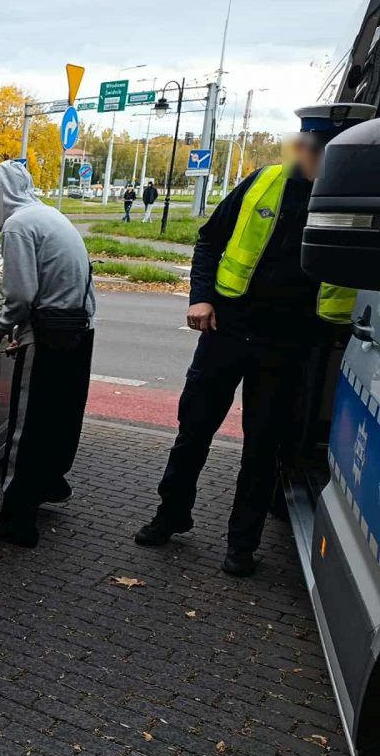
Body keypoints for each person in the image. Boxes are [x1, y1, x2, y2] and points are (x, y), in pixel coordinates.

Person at [134, 103, 375, 576]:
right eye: (304, 145)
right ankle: (170, 516)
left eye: (318, 149)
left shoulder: (352, 200)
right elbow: (209, 241)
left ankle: (241, 545)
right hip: (227, 332)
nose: (304, 155)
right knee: (193, 432)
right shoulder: (263, 182)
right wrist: (200, 298)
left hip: (290, 345)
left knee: (262, 449)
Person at [0, 160, 96, 549]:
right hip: (77, 329)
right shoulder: (48, 215)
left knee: (27, 430)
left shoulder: (17, 225)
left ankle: (15, 520)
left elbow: (22, 295)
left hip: (49, 336)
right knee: (58, 419)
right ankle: (50, 485)